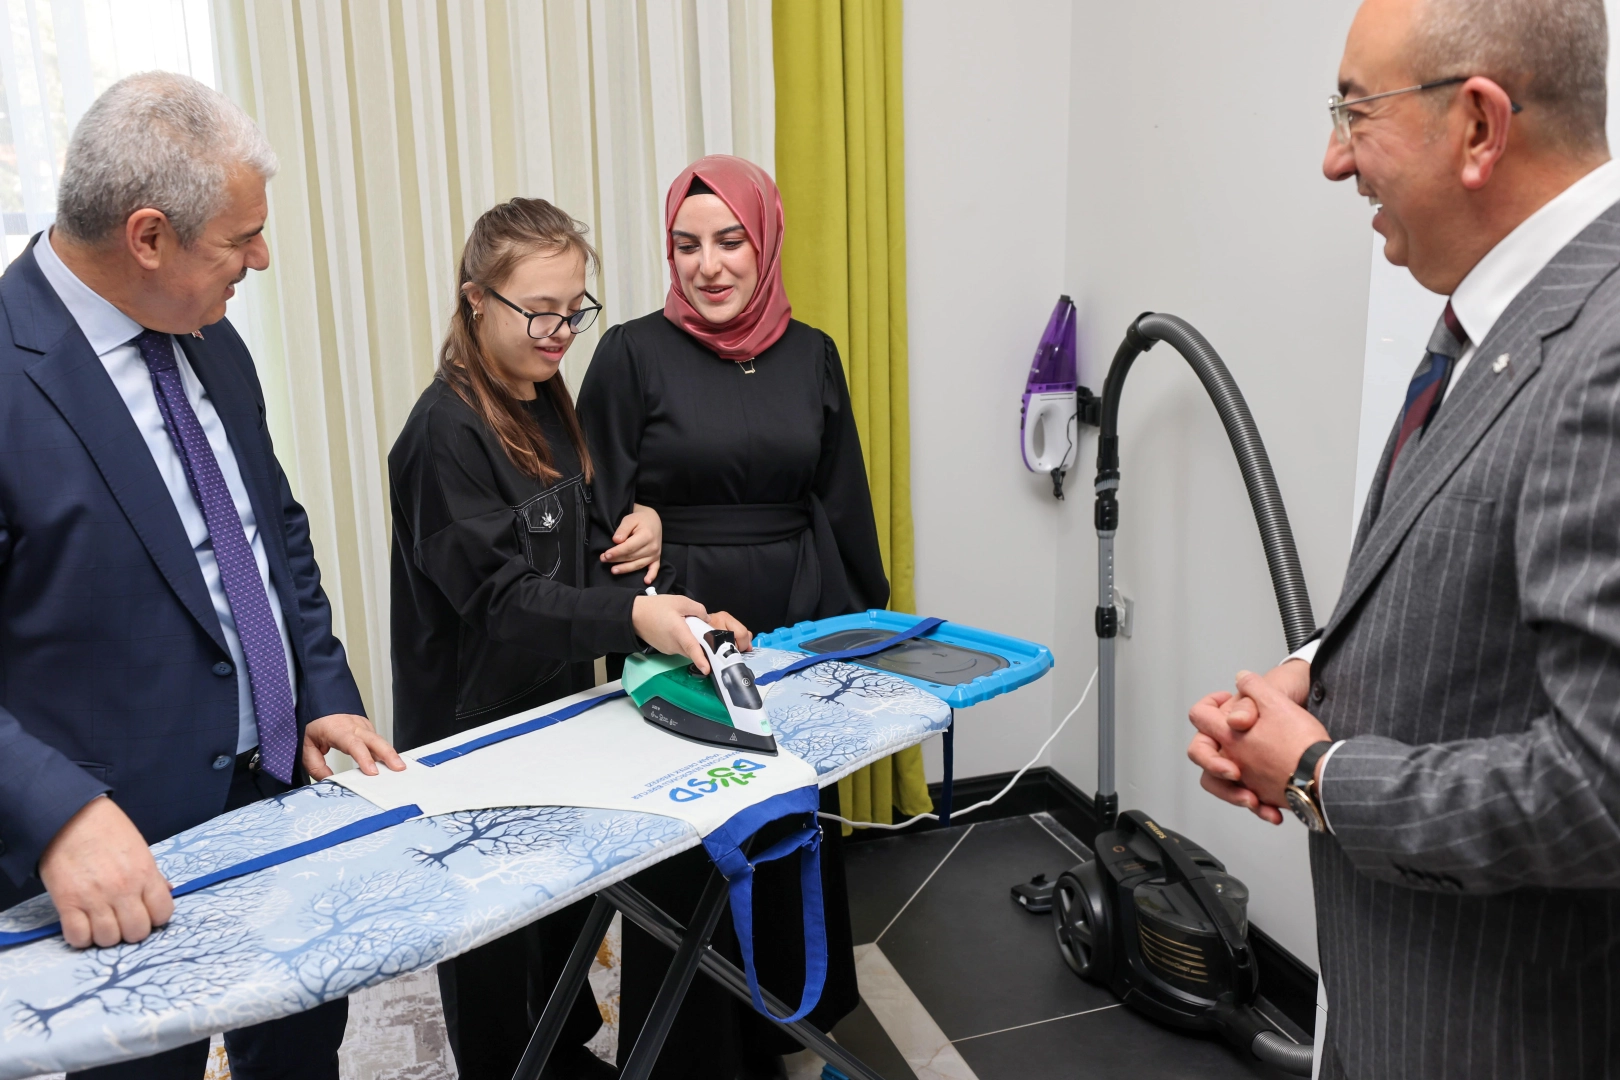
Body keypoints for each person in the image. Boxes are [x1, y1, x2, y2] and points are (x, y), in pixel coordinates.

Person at [1184, 0, 1620, 1076]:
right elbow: (1468, 592)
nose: (1335, 159)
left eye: (1355, 112)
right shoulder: (1498, 318)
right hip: (1400, 1004)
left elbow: (1598, 787)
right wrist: (1311, 675)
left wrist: (1319, 774)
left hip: (1496, 1033)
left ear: (1478, 126)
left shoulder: (1604, 352)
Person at [0, 73, 403, 1080]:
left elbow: (272, 531)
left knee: (302, 1047)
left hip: (277, 790)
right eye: (242, 238)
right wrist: (56, 812)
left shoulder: (210, 337)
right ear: (148, 237)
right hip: (110, 843)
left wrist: (322, 690)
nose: (261, 259)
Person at [388, 196, 749, 1080]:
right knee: (491, 948)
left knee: (555, 923)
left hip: (548, 707)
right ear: (477, 299)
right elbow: (503, 599)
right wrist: (632, 618)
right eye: (539, 311)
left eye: (573, 309)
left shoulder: (543, 396)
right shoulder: (442, 435)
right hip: (470, 734)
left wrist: (665, 596)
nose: (560, 334)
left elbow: (577, 559)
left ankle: (559, 1050)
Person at [576, 155, 887, 1079]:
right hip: (684, 626)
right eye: (687, 245)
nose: (708, 265)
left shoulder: (813, 353)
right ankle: (694, 1050)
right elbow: (595, 506)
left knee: (790, 819)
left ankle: (789, 1021)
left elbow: (842, 499)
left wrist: (858, 639)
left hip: (793, 616)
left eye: (729, 241)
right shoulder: (630, 353)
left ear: (766, 242)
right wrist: (642, 542)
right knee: (696, 841)